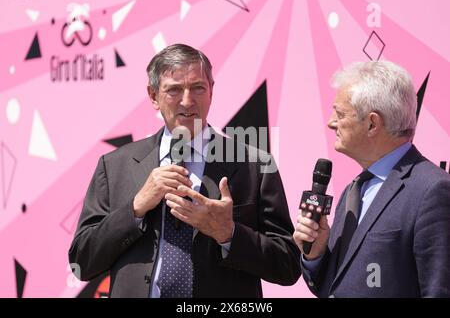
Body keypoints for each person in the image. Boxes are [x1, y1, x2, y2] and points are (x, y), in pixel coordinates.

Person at [69, 43, 301, 298]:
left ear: (212, 90)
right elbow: (82, 261)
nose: (187, 101)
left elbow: (288, 265)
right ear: (153, 95)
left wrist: (229, 234)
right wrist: (135, 208)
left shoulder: (255, 165)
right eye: (174, 90)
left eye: (198, 88)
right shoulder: (114, 166)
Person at [293, 60, 450, 297]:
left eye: (340, 113)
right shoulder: (353, 190)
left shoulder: (432, 191)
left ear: (372, 124)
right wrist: (315, 255)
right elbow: (334, 285)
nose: (331, 122)